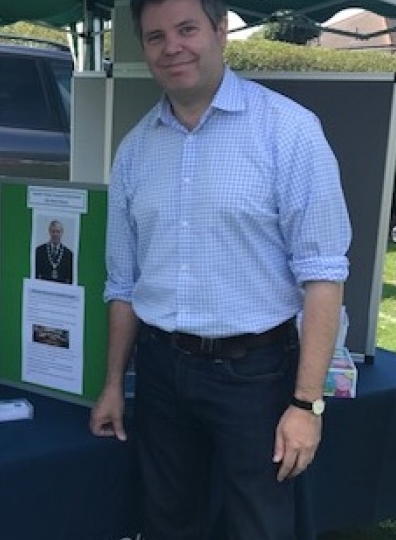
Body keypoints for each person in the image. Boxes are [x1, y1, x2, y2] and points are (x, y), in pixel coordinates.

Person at [89, 0, 352, 538]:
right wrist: (114, 383)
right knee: (166, 523)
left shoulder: (290, 132)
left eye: (187, 29)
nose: (173, 47)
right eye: (156, 36)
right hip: (161, 370)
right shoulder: (135, 150)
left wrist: (307, 404)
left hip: (255, 376)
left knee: (258, 526)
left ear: (221, 31)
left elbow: (324, 275)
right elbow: (123, 284)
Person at [34, 219, 75, 284]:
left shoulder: (69, 254)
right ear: (49, 232)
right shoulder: (39, 251)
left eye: (58, 231)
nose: (55, 234)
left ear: (62, 232)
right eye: (53, 231)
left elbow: (70, 279)